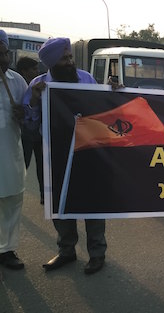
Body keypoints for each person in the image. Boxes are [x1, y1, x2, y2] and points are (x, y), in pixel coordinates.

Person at [22, 37, 107, 274]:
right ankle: (66, 250)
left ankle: (97, 253)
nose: (70, 62)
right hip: (54, 154)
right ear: (51, 64)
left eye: (70, 57)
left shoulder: (87, 79)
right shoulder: (38, 85)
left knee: (92, 203)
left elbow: (103, 110)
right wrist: (36, 101)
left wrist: (113, 90)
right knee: (59, 203)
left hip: (88, 151)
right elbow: (29, 126)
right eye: (64, 59)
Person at [0, 29, 27, 270]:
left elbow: (32, 116)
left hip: (10, 157)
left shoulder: (17, 82)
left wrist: (24, 114)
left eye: (3, 53)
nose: (1, 59)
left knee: (11, 204)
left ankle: (7, 250)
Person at [16, 57, 43, 204]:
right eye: (33, 69)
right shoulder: (18, 86)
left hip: (38, 133)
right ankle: (17, 191)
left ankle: (44, 196)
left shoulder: (40, 85)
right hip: (24, 134)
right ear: (24, 71)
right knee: (23, 165)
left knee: (42, 166)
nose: (36, 72)